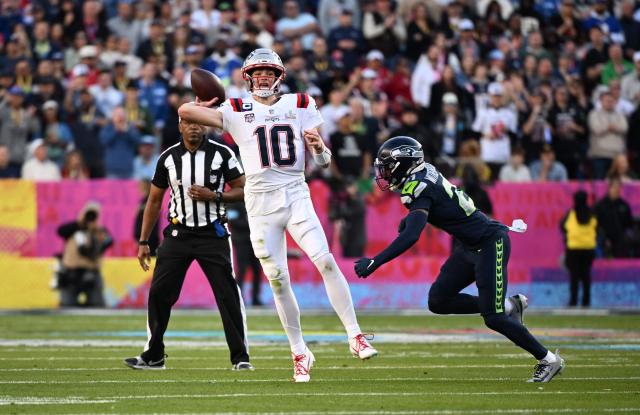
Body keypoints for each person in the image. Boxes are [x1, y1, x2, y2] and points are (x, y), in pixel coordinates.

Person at [178, 48, 377, 382]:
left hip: (295, 192)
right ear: (248, 77)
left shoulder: (300, 103)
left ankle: (355, 335)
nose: (263, 77)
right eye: (258, 72)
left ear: (279, 76)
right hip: (259, 201)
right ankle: (300, 352)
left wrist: (318, 150)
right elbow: (184, 110)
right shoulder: (236, 108)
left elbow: (326, 161)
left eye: (269, 72)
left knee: (325, 260)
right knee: (278, 279)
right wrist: (207, 104)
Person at [355, 136, 565, 383]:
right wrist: (412, 218)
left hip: (490, 243)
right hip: (470, 246)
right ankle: (510, 305)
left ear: (405, 163)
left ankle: (549, 359)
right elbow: (432, 207)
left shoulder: (417, 187)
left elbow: (412, 236)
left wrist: (375, 262)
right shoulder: (423, 173)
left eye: (389, 166)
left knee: (494, 318)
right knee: (438, 300)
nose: (386, 172)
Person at [125, 117, 251, 371]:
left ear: (205, 126)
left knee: (228, 296)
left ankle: (241, 357)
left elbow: (243, 190)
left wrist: (216, 195)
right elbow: (153, 201)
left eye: (198, 122)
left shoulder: (222, 153)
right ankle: (154, 355)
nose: (194, 126)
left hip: (212, 235)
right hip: (177, 235)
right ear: (180, 126)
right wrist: (143, 241)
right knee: (160, 293)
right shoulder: (168, 158)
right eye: (188, 123)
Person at [55, 202, 113, 307]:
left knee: (97, 306)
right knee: (67, 306)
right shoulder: (73, 229)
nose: (90, 218)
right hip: (70, 273)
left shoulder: (99, 231)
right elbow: (60, 231)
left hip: (91, 273)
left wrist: (96, 229)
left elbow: (109, 241)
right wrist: (79, 223)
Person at [560, 191, 597, 307]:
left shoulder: (571, 214)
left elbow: (562, 226)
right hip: (589, 249)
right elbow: (597, 228)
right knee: (586, 275)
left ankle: (573, 301)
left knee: (574, 276)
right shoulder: (592, 214)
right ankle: (586, 301)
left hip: (573, 249)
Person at [227, 201, 263, 306]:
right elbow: (233, 220)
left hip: (255, 241)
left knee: (257, 269)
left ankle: (256, 299)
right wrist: (251, 223)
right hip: (241, 241)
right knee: (242, 270)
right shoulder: (232, 203)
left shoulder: (254, 200)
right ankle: (238, 298)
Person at [595, 176, 634, 258]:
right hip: (604, 241)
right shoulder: (600, 205)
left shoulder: (624, 205)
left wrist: (627, 236)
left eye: (619, 187)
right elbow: (595, 224)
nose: (617, 189)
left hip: (621, 242)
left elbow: (629, 224)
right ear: (609, 188)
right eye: (615, 187)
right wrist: (603, 238)